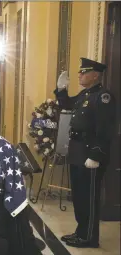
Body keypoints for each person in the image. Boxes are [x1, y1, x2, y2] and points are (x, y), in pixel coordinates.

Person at [54, 57, 116, 248]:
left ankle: (89, 237)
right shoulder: (85, 95)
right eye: (80, 72)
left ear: (95, 75)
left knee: (89, 198)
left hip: (90, 154)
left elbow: (105, 129)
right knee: (79, 196)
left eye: (84, 72)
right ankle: (81, 232)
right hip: (77, 151)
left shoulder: (103, 97)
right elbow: (67, 105)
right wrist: (62, 90)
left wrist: (96, 155)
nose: (79, 74)